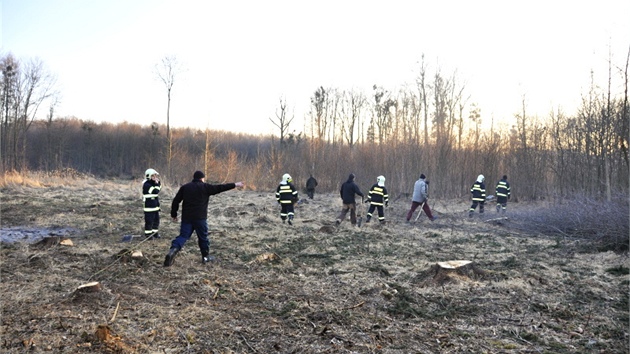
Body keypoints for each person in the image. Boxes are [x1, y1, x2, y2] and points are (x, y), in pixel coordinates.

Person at [164, 171, 245, 266]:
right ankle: (205, 257)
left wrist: (174, 214)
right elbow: (220, 187)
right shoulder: (205, 187)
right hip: (200, 218)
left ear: (194, 178)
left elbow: (176, 201)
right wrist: (235, 184)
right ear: (202, 178)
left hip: (187, 218)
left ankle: (172, 251)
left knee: (183, 236)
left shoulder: (185, 187)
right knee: (203, 238)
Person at [142, 168, 161, 239]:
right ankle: (148, 235)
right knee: (149, 221)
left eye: (155, 176)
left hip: (155, 207)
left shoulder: (153, 183)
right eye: (153, 176)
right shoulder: (146, 185)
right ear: (149, 176)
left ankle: (155, 234)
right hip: (149, 207)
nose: (155, 177)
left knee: (156, 221)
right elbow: (156, 191)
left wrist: (158, 183)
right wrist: (157, 184)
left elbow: (158, 189)